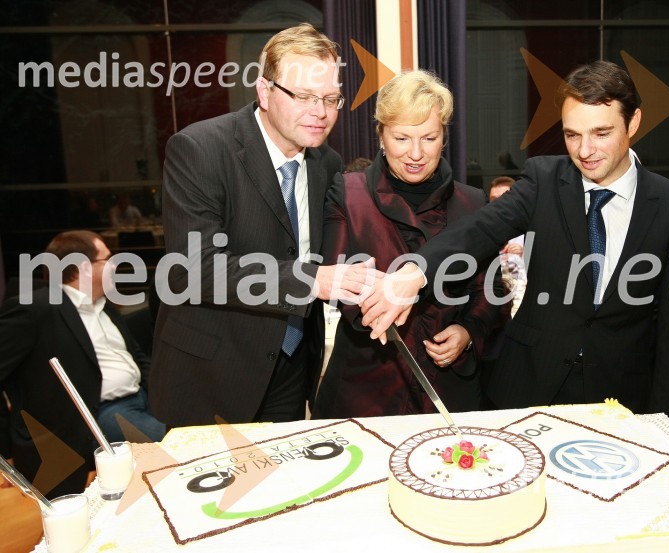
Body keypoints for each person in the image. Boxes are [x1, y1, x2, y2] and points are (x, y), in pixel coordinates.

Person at [361, 60, 669, 423]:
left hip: (620, 397)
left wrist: (667, 428)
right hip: (529, 386)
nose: (585, 150)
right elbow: (480, 229)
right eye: (572, 135)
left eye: (601, 133)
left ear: (633, 122)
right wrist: (415, 272)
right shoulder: (544, 179)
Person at [150, 23, 381, 427]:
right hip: (213, 373)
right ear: (264, 91)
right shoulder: (201, 149)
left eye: (330, 99)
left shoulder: (324, 162)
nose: (321, 112)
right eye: (305, 97)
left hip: (291, 366)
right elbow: (194, 269)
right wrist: (313, 280)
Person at [312, 71, 504, 418]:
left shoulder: (472, 201)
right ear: (381, 136)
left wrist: (467, 330)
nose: (415, 153)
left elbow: (490, 290)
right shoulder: (348, 193)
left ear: (444, 137)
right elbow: (341, 283)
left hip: (448, 390)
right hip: (366, 389)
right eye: (402, 138)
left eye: (429, 138)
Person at [0, 230, 165, 497]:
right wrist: (6, 445)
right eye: (107, 258)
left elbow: (136, 357)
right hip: (102, 413)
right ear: (83, 267)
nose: (114, 265)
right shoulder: (37, 308)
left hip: (144, 400)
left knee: (191, 427)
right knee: (175, 444)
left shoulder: (105, 307)